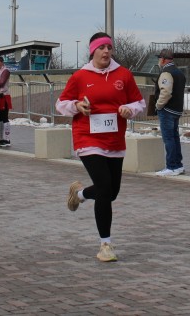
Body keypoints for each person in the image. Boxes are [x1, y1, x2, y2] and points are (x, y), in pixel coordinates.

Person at [56, 32, 145, 262]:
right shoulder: (80, 76)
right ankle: (105, 245)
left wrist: (129, 109)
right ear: (92, 51)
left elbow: (139, 102)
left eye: (109, 47)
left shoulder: (123, 74)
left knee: (111, 193)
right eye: (101, 48)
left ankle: (79, 194)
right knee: (104, 187)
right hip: (87, 137)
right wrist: (77, 106)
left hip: (114, 139)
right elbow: (61, 104)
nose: (106, 51)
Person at [154, 48, 186, 176]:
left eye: (159, 58)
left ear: (163, 59)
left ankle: (171, 166)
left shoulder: (166, 73)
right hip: (177, 109)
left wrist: (158, 105)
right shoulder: (179, 72)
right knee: (175, 137)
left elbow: (166, 92)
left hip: (167, 109)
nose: (159, 61)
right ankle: (178, 165)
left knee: (168, 139)